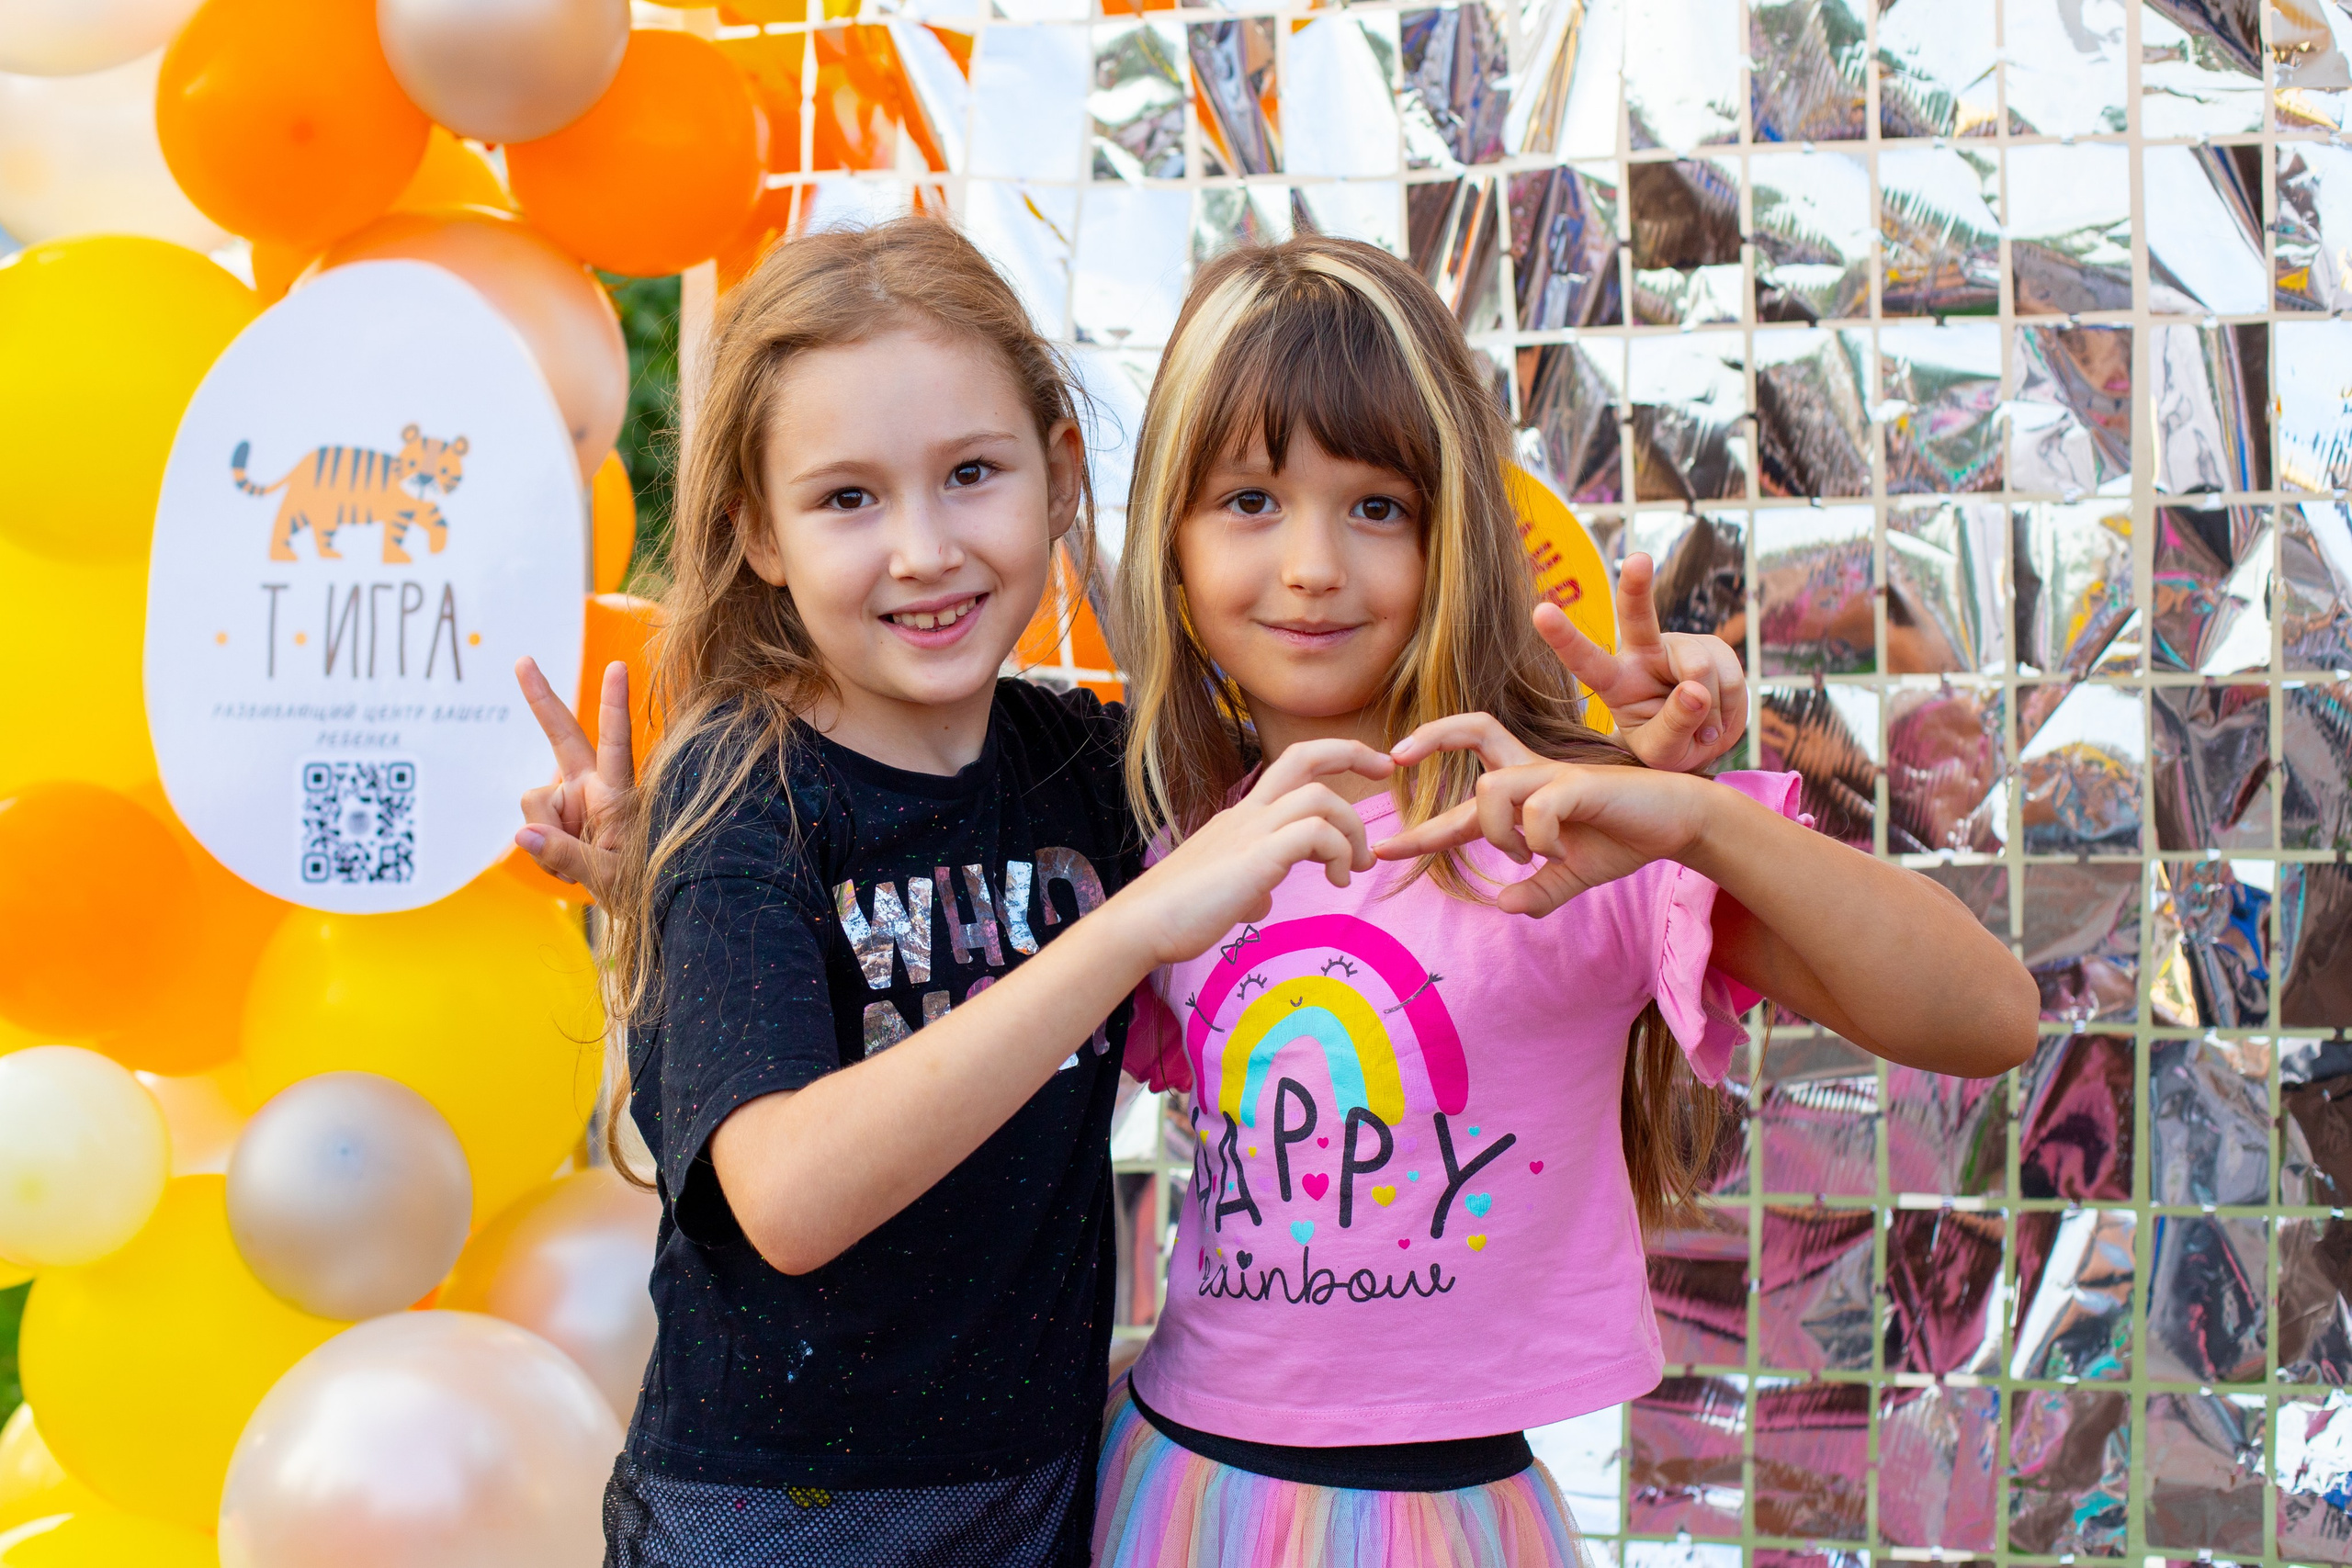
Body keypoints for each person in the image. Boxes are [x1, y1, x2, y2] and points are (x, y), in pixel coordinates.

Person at [1096, 234, 2041, 1565]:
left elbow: (1989, 1016)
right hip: (1179, 1496)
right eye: (1250, 501)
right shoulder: (1169, 850)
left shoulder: (1569, 837)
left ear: (1457, 537)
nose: (1312, 566)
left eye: (1376, 506)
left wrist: (1704, 822)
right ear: (1171, 544)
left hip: (1456, 1523)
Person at [507, 218, 1420, 1567]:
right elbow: (792, 1198)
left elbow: (1366, 752)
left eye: (971, 474)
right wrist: (1125, 933)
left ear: (1059, 478)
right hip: (773, 1518)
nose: (925, 549)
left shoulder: (1091, 769)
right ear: (759, 528)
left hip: (1037, 1492)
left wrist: (1627, 740)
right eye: (847, 499)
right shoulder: (740, 796)